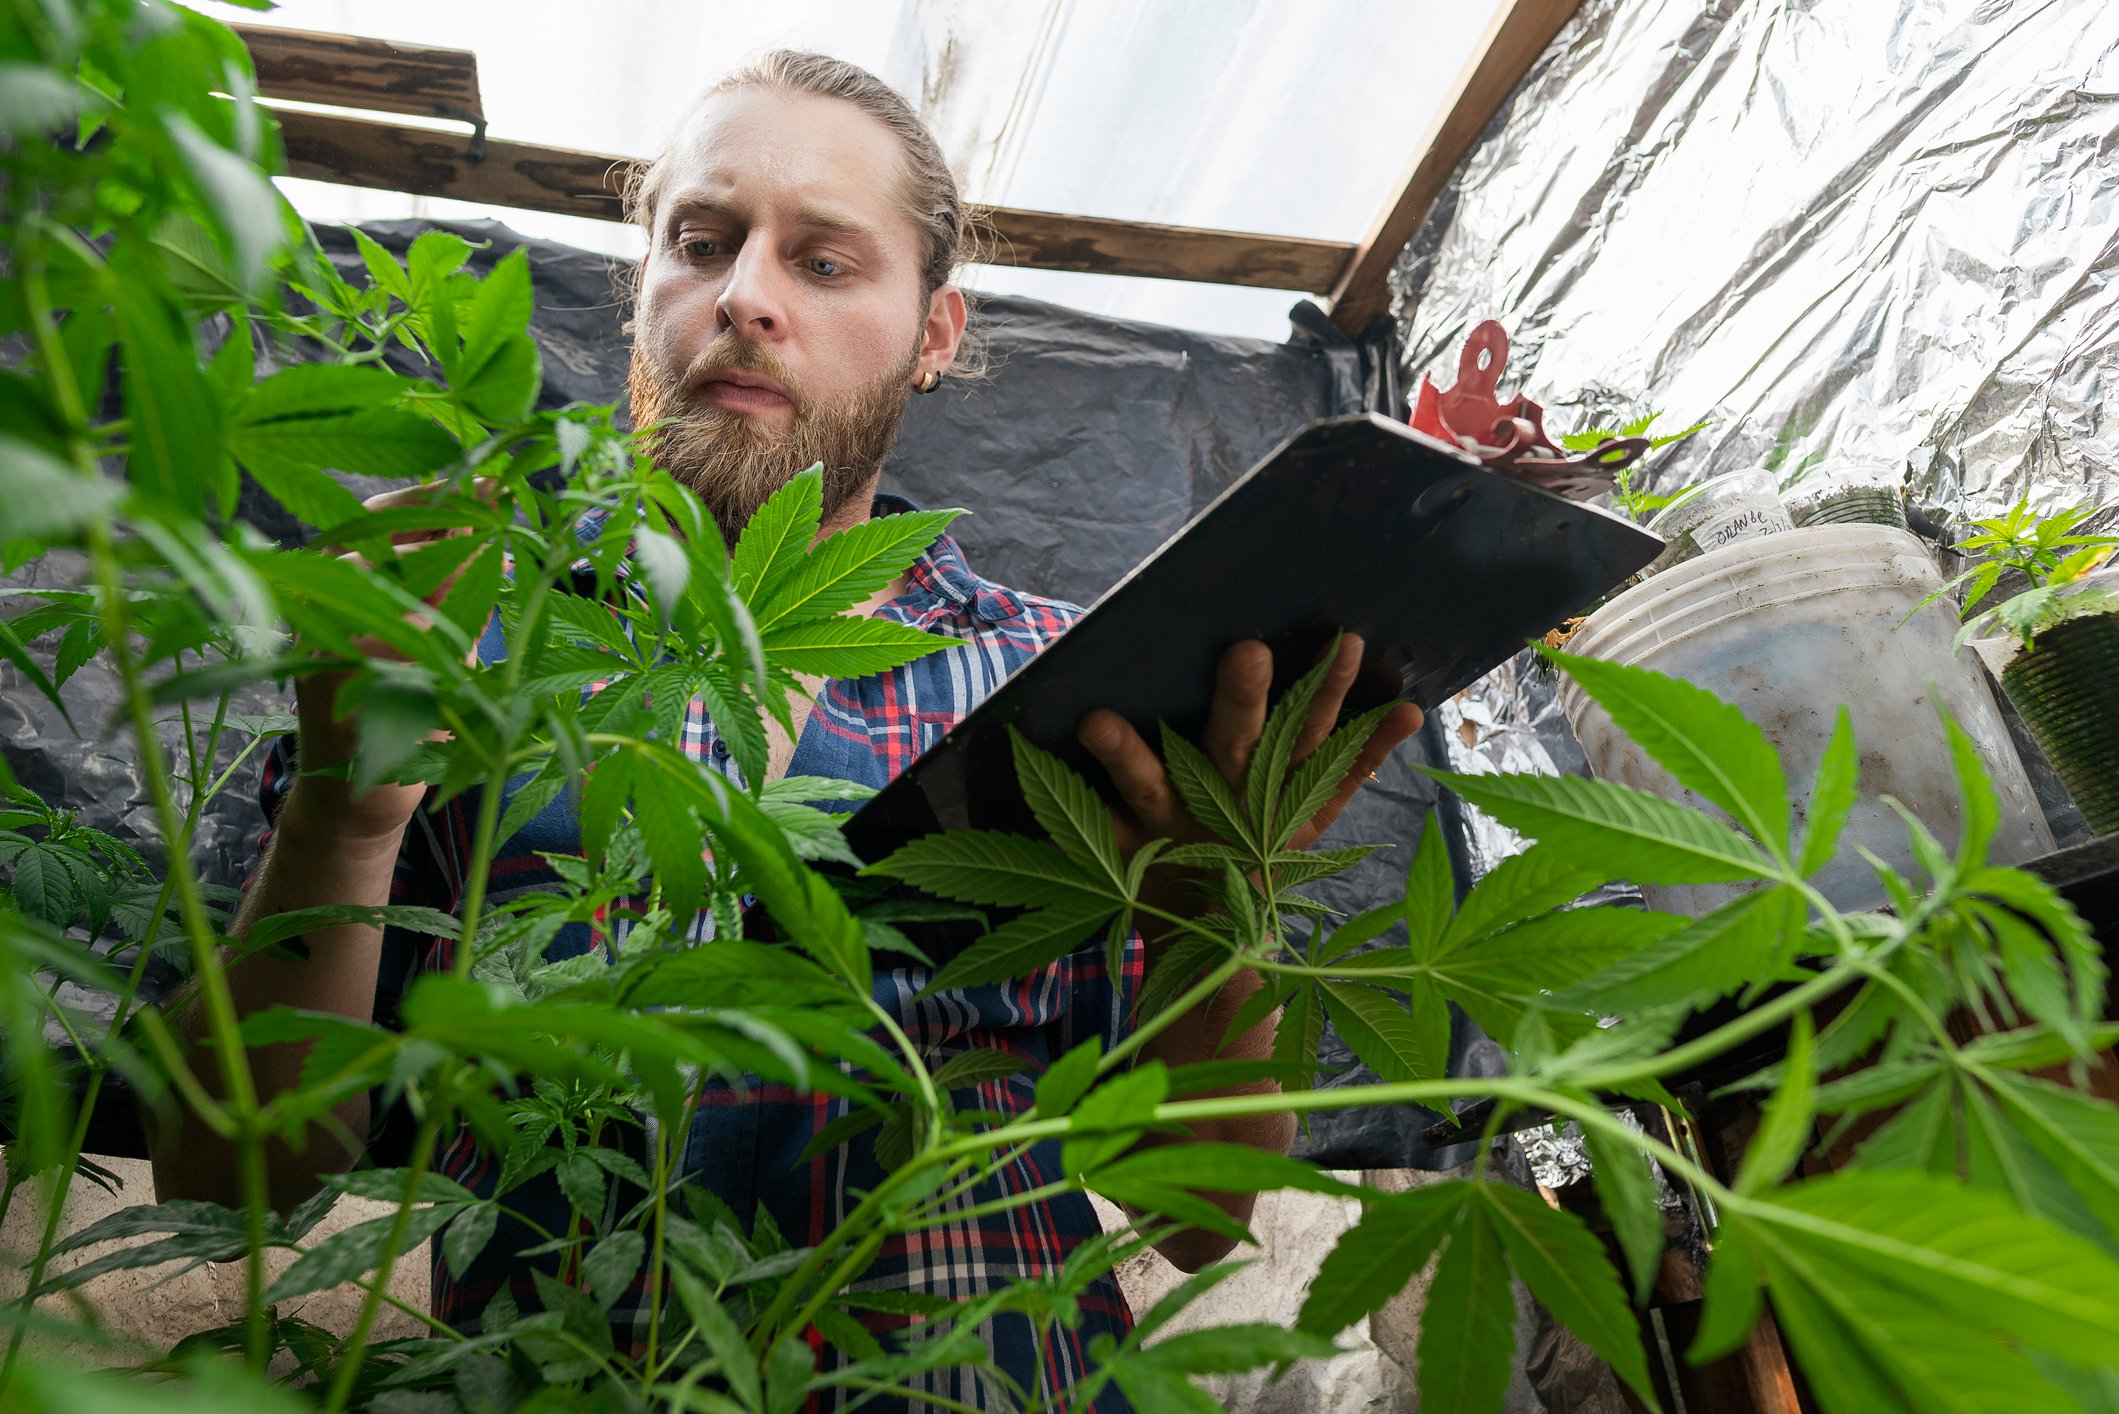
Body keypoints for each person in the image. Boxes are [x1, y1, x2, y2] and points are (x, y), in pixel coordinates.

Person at [150, 51, 1420, 1409]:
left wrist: (1213, 915)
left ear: (935, 333)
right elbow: (228, 1184)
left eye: (823, 262)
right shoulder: (461, 638)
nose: (745, 296)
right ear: (641, 287)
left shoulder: (1055, 674)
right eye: (702, 242)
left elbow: (1200, 1213)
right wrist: (342, 820)